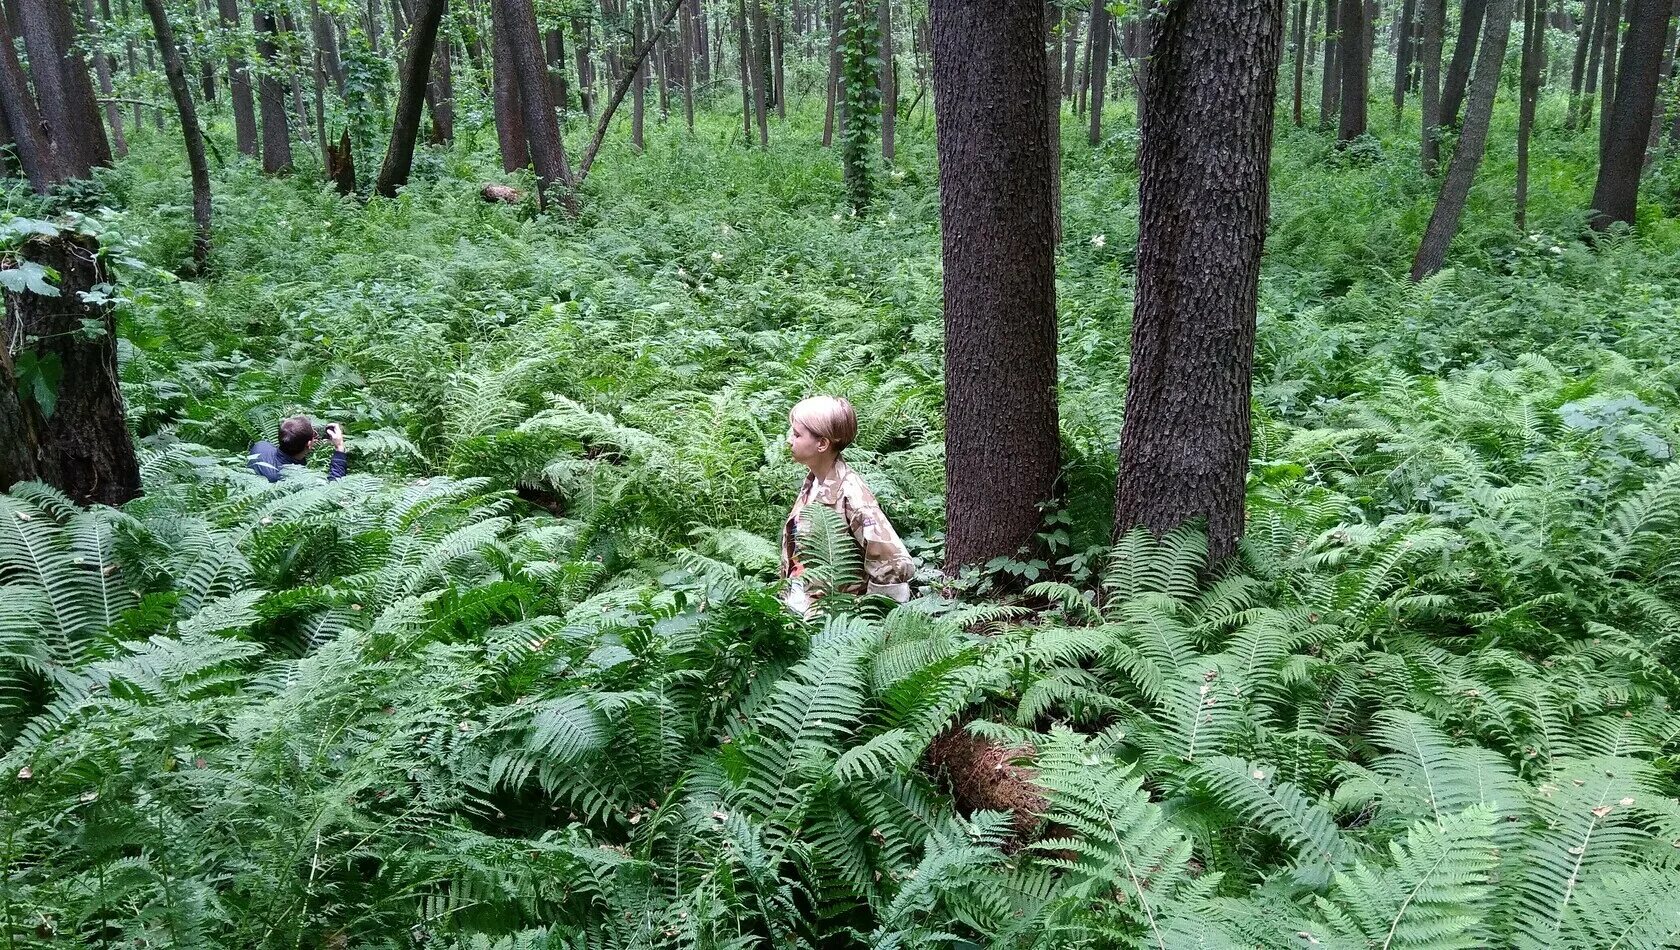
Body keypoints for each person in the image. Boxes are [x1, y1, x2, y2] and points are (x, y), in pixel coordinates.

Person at [779, 396, 915, 617]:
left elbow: (893, 564)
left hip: (833, 622)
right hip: (801, 608)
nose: (788, 440)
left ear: (822, 444)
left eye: (796, 434)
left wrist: (871, 620)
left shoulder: (852, 496)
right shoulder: (813, 482)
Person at [248, 416, 348, 483]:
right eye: (314, 435)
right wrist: (339, 447)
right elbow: (333, 488)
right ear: (309, 444)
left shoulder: (260, 446)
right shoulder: (296, 479)